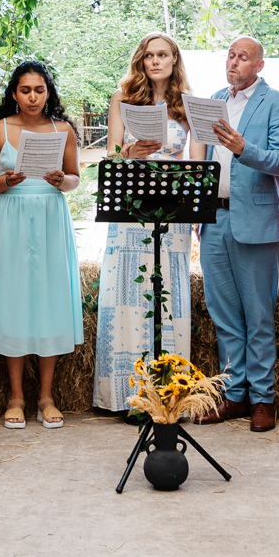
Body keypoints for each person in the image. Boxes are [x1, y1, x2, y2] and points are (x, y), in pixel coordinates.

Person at [193, 35, 279, 433]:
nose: (234, 62)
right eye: (231, 55)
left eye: (243, 57)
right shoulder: (214, 99)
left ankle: (263, 399)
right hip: (214, 220)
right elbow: (201, 157)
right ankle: (233, 394)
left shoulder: (278, 102)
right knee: (224, 315)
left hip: (256, 221)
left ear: (260, 65)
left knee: (258, 315)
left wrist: (242, 147)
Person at [0, 60, 84, 431]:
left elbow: (75, 179)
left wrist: (61, 180)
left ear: (48, 93)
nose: (33, 97)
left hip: (51, 218)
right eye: (26, 90)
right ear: (14, 94)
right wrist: (6, 180)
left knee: (49, 299)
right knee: (14, 300)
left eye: (40, 90)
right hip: (11, 220)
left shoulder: (63, 130)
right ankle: (16, 396)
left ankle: (47, 396)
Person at [93, 33, 195, 413]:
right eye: (149, 55)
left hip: (175, 213)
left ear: (174, 60)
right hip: (131, 212)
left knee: (170, 298)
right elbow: (111, 155)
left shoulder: (186, 104)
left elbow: (196, 161)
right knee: (128, 296)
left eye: (163, 55)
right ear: (141, 60)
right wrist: (130, 152)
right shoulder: (122, 98)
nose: (155, 61)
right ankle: (127, 397)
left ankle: (168, 397)